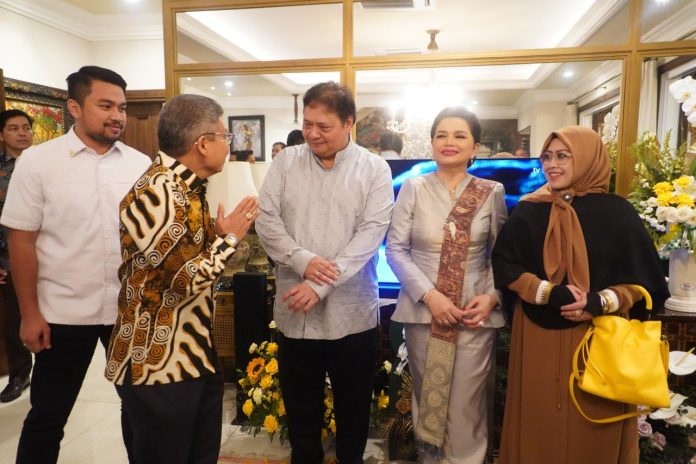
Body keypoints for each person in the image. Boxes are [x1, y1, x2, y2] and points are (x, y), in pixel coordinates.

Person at [0, 66, 151, 463]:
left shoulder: (139, 164)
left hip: (127, 311)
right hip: (62, 313)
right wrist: (29, 315)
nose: (117, 115)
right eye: (105, 105)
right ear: (74, 107)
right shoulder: (38, 163)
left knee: (141, 412)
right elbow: (22, 240)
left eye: (121, 106)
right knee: (49, 414)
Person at [491, 126, 669, 464]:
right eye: (547, 156)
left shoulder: (617, 214)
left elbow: (646, 282)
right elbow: (505, 265)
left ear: (588, 158)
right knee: (538, 419)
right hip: (538, 337)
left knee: (596, 423)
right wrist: (546, 292)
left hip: (600, 339)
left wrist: (599, 302)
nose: (552, 165)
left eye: (563, 156)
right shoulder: (530, 210)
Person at [105, 94, 258, 463]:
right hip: (157, 363)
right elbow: (185, 280)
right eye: (226, 135)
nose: (229, 145)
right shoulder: (158, 191)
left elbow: (199, 264)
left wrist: (222, 239)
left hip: (191, 354)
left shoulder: (187, 188)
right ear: (202, 143)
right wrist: (230, 239)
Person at [256, 81, 393, 463]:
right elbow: (267, 222)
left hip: (352, 316)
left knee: (353, 413)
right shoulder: (286, 162)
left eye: (324, 126)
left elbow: (371, 234)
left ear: (349, 122)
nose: (313, 134)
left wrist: (319, 285)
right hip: (294, 314)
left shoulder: (374, 169)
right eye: (307, 124)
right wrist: (300, 259)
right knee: (302, 413)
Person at [386, 107, 507, 463]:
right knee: (430, 401)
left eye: (459, 136)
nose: (449, 142)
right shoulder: (413, 187)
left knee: (467, 405)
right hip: (426, 315)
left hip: (473, 315)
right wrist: (430, 296)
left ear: (475, 147)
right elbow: (395, 249)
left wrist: (491, 297)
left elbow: (500, 255)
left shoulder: (491, 192)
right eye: (441, 135)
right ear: (432, 143)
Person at [0, 109, 34, 403]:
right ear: (2, 135)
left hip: (47, 256)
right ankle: (20, 373)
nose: (22, 133)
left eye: (26, 127)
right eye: (14, 128)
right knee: (13, 320)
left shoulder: (43, 165)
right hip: (8, 258)